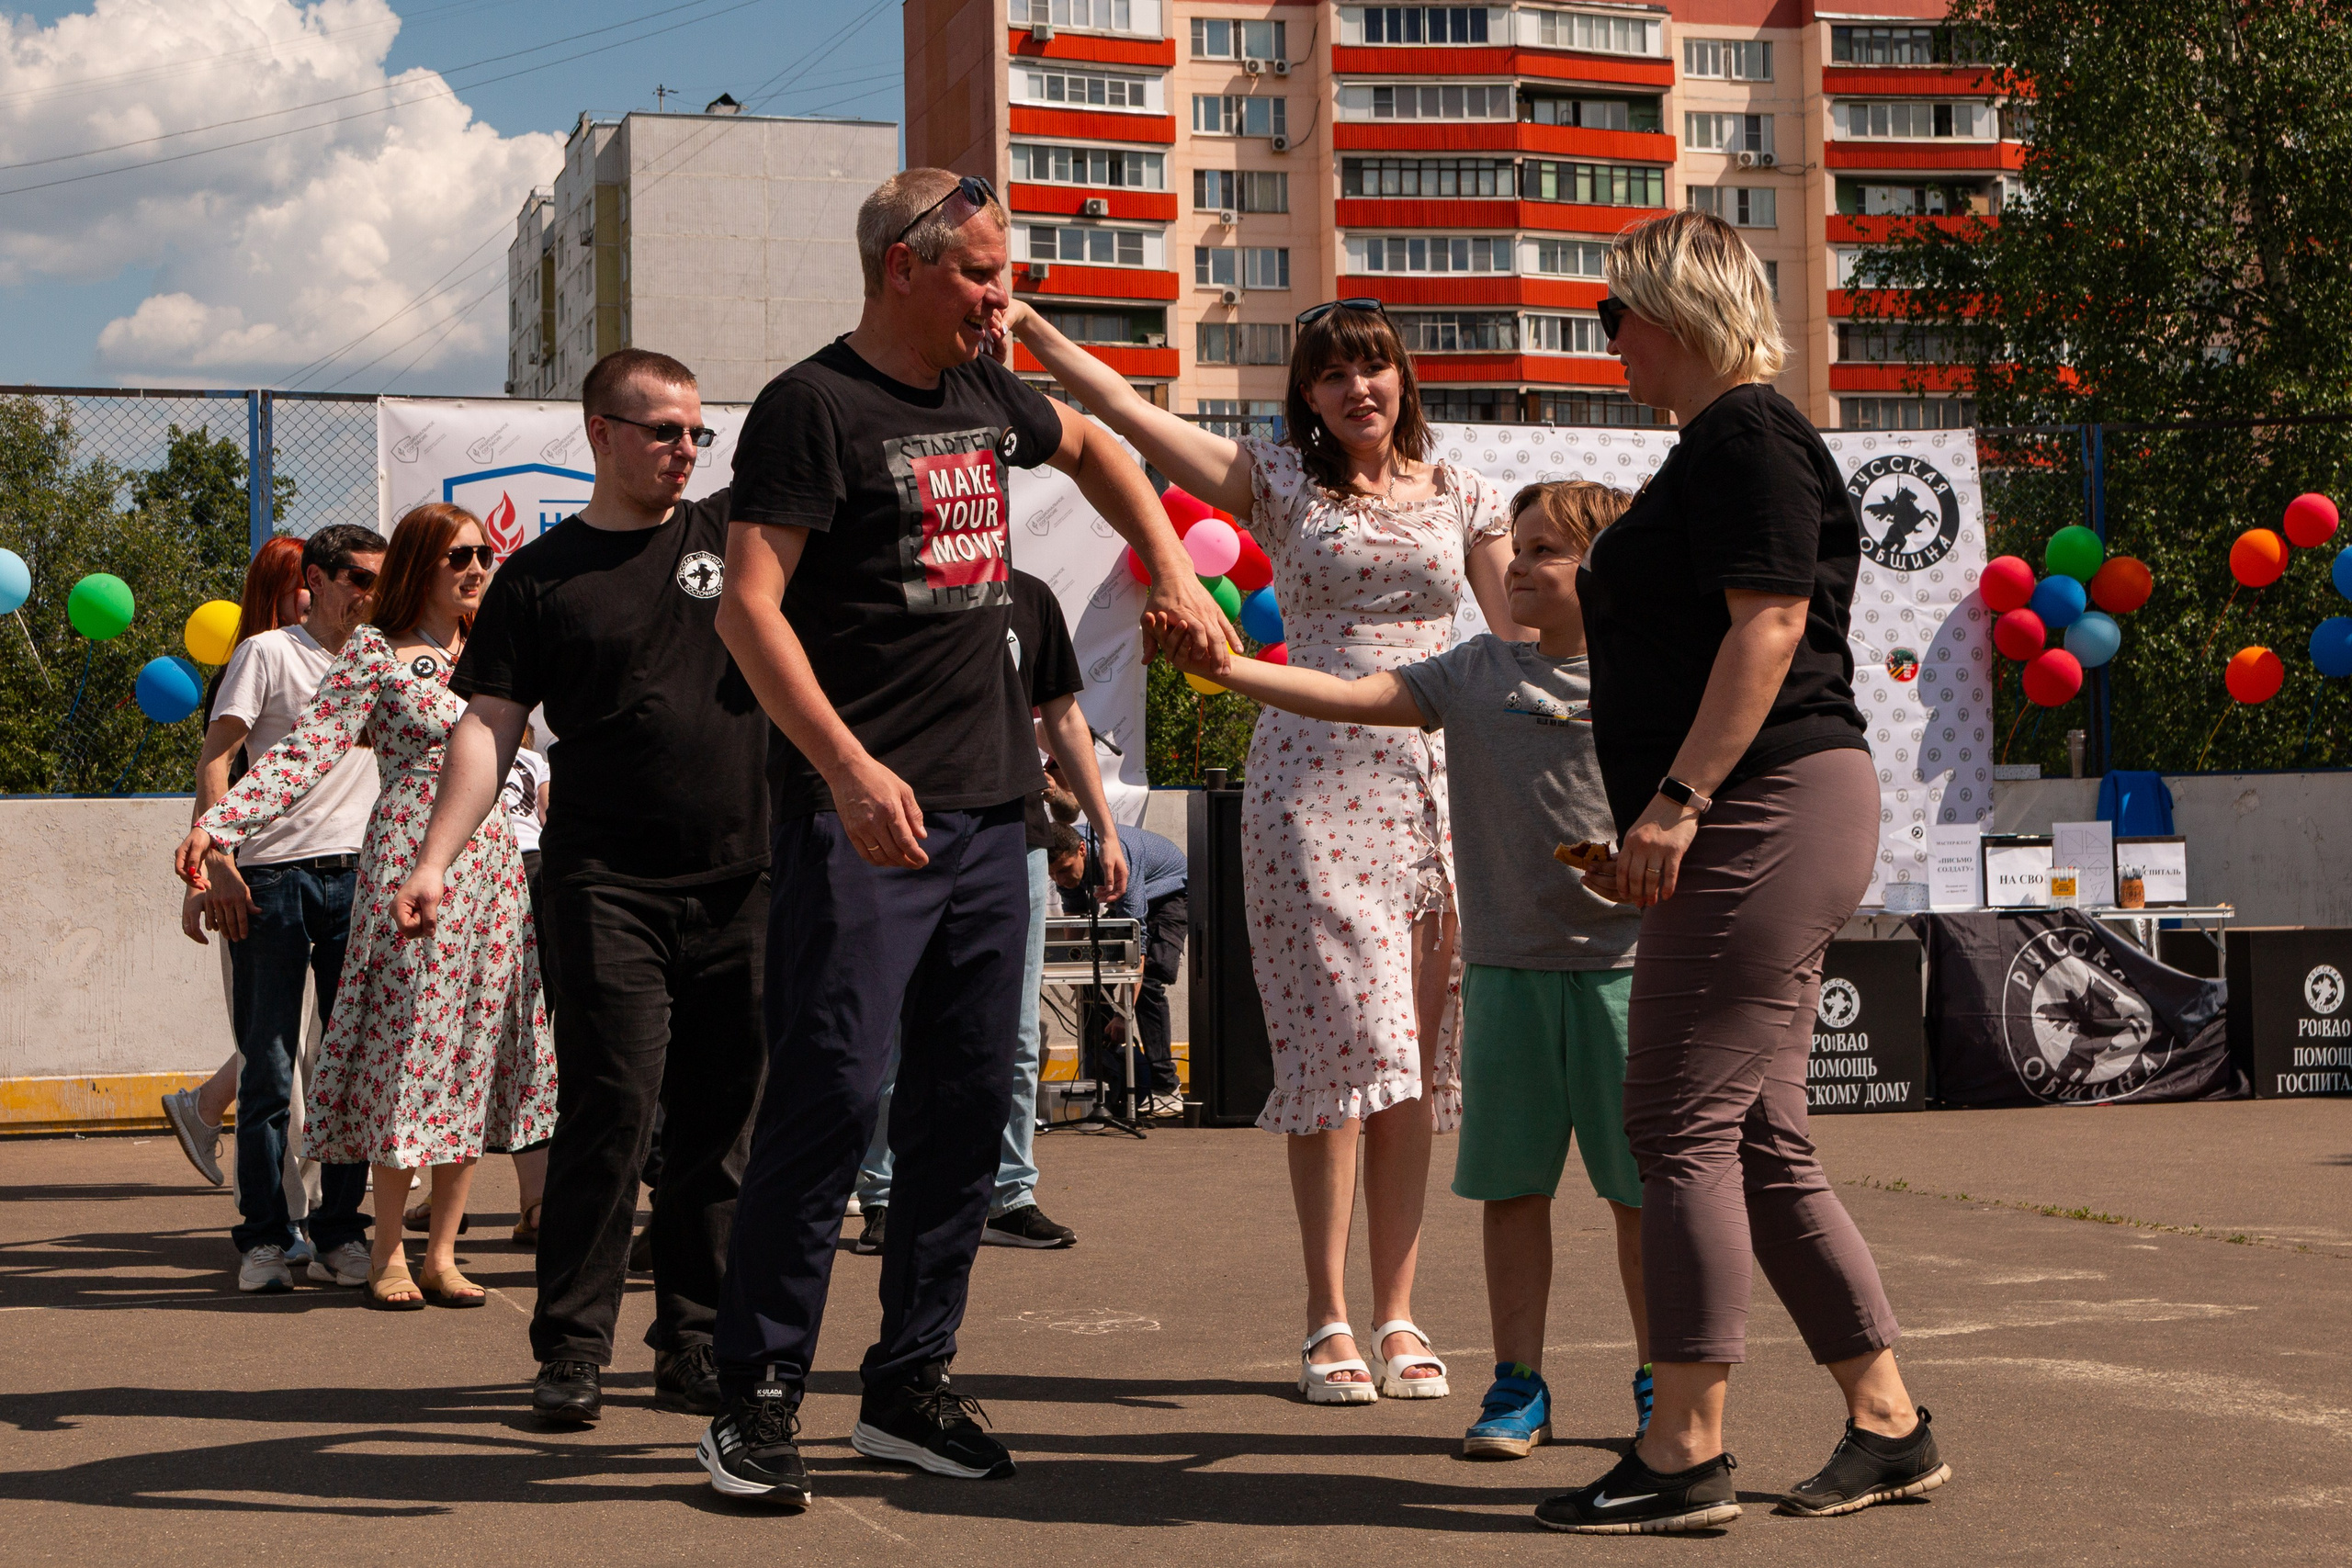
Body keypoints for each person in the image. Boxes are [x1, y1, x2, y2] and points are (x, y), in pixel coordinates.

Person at [701, 168, 1226, 1506]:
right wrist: (847, 765)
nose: (1006, 296)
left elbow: (1107, 451)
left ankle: (907, 1384)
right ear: (903, 268)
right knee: (829, 1101)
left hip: (994, 818)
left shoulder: (988, 391)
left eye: (1007, 271)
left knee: (963, 1113)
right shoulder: (813, 406)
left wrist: (1169, 570)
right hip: (863, 817)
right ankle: (754, 1397)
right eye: (985, 272)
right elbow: (748, 607)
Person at [1010, 293, 1531, 1404]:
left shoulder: (1468, 494)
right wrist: (1043, 336)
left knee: (1408, 1072)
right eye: (1333, 375)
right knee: (1345, 1053)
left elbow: (1519, 640)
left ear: (1403, 378)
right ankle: (1325, 1317)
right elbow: (1124, 419)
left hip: (1435, 791)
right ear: (1305, 395)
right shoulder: (1279, 483)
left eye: (1375, 368)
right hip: (1312, 781)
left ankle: (1398, 1313)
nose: (1359, 390)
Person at [1534, 210, 1946, 1534]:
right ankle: (1886, 1422)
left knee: (1675, 1119)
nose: (1608, 342)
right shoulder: (1711, 447)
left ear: (1675, 308)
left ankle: (1684, 1447)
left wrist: (1679, 801)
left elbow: (1768, 626)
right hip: (1755, 809)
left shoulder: (1748, 432)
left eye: (1614, 314)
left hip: (1768, 799)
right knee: (1758, 1135)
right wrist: (1660, 813)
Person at [1159, 480, 1651, 1456]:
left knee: (1641, 1198)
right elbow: (1347, 696)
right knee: (1512, 1193)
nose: (1516, 565)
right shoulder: (1471, 672)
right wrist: (1230, 670)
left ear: (1603, 569)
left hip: (1621, 976)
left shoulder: (1655, 684)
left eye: (1546, 551)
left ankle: (1660, 1381)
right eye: (1518, 547)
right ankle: (1517, 1388)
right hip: (1506, 973)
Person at [392, 349, 772, 1426]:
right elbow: (489, 726)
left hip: (748, 875)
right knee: (611, 1109)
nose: (684, 451)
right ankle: (571, 1349)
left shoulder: (731, 541)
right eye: (662, 432)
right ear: (601, 434)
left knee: (720, 1123)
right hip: (606, 883)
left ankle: (693, 1340)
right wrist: (434, 861)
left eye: (697, 434)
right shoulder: (540, 579)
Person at [178, 504, 557, 1312]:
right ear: (422, 562)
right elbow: (302, 753)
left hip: (491, 872)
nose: (479, 567)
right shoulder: (376, 654)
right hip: (408, 868)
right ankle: (385, 1250)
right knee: (406, 1056)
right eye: (461, 554)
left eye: (486, 553)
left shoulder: (499, 652)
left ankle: (443, 1253)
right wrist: (217, 825)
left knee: (471, 1059)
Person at [851, 567, 1129, 1257]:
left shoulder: (1030, 598)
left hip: (1015, 837)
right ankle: (884, 1194)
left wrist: (1105, 825)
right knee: (894, 1024)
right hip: (908, 829)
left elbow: (1063, 715)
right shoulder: (897, 583)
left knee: (1013, 1029)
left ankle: (1010, 1193)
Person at [167, 525, 386, 1292]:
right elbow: (217, 758)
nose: (368, 591)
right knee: (268, 1068)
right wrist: (217, 863)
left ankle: (339, 1233)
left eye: (379, 579)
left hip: (361, 878)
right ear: (317, 580)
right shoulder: (268, 653)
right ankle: (265, 1239)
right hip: (270, 879)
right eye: (356, 576)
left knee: (351, 1067)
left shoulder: (379, 663)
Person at [164, 534, 311, 1190]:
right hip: (254, 875)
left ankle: (204, 1107)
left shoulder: (342, 666)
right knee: (275, 1046)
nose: (324, 592)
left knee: (305, 1041)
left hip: (333, 873)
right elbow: (214, 777)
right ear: (276, 591)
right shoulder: (248, 669)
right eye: (304, 581)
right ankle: (287, 1218)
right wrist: (205, 872)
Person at [1047, 818, 1188, 1116]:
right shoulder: (1067, 867)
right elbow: (1075, 912)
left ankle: (1166, 1087)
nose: (1059, 879)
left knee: (1148, 981)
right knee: (1093, 979)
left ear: (1083, 851)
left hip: (1169, 892)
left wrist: (1124, 1017)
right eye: (1053, 875)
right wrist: (1077, 968)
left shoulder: (1118, 858)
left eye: (1063, 871)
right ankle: (1104, 1089)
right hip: (1129, 899)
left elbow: (1135, 943)